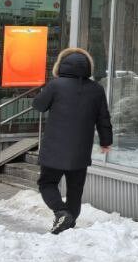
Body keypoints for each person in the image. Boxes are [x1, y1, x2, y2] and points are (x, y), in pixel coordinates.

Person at [32, 47, 112, 235]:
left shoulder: (55, 85)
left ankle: (61, 213)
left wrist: (45, 90)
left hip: (54, 149)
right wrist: (106, 141)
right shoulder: (97, 89)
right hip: (80, 151)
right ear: (88, 67)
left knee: (47, 184)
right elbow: (103, 118)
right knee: (75, 191)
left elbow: (39, 105)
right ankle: (67, 226)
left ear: (61, 65)